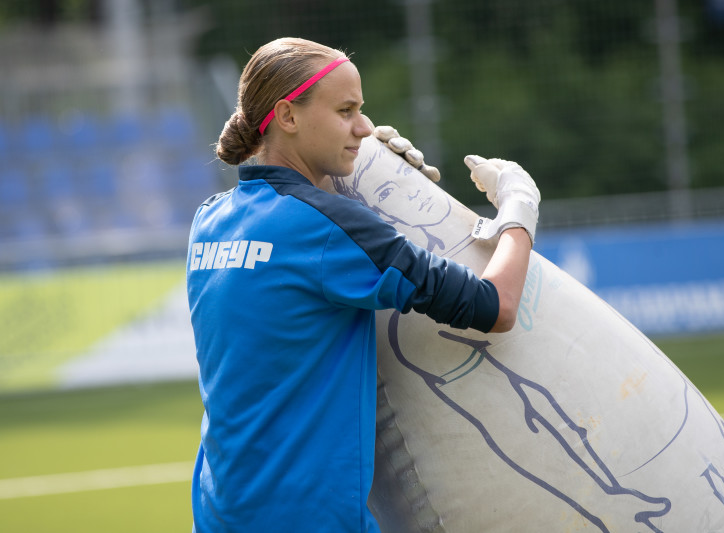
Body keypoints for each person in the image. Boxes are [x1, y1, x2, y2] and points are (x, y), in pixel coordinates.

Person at [186, 37, 541, 532]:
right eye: (346, 111)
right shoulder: (326, 226)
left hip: (220, 513)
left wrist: (367, 174)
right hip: (309, 520)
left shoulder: (209, 221)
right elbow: (495, 306)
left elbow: (303, 226)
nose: (364, 127)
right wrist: (519, 208)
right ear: (288, 116)